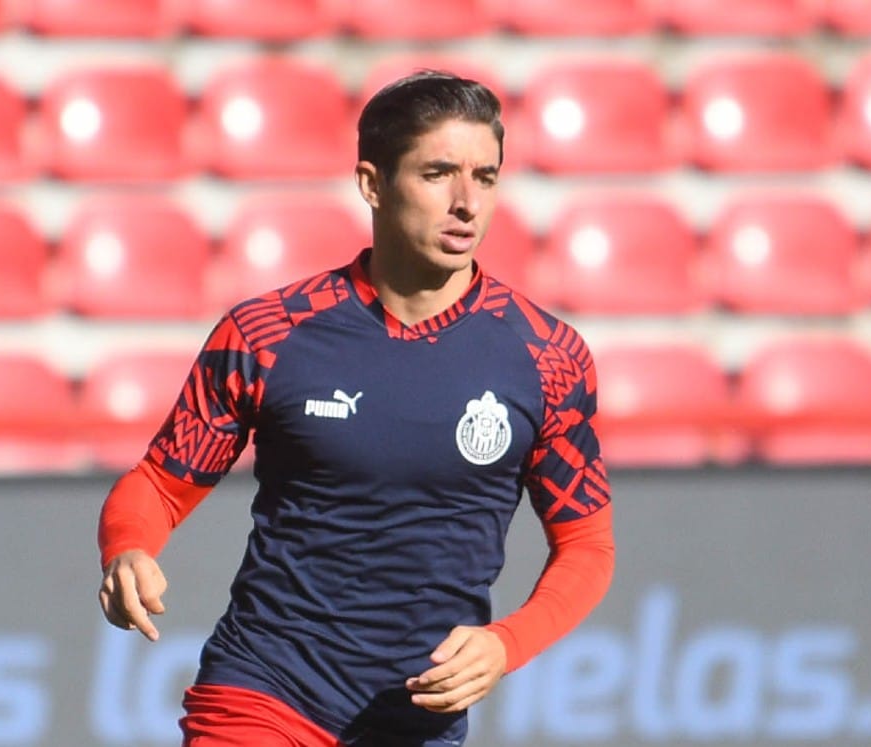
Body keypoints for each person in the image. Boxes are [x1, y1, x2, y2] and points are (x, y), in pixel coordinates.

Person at [96, 70, 615, 747]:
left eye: (484, 177)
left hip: (416, 718)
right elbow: (160, 483)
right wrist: (129, 549)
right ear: (372, 182)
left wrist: (507, 643)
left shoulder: (547, 355)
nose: (466, 203)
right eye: (438, 174)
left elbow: (586, 545)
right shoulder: (268, 335)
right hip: (264, 688)